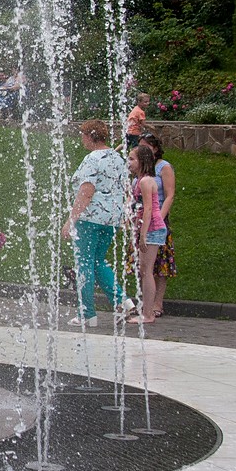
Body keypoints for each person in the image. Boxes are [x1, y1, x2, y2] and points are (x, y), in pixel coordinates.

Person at [61, 119, 135, 326]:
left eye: (82, 134)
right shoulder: (118, 159)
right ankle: (122, 301)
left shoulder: (92, 159)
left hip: (90, 218)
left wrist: (71, 220)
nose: (81, 138)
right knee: (97, 261)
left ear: (90, 136)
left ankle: (87, 314)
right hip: (111, 219)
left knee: (84, 263)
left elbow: (86, 191)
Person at [138, 132, 177, 316]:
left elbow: (169, 194)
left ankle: (157, 303)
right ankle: (144, 302)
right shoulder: (141, 168)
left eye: (145, 146)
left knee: (160, 262)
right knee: (143, 264)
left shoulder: (163, 167)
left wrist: (159, 218)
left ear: (155, 148)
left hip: (157, 218)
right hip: (143, 220)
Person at [125, 144, 165, 324]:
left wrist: (143, 235)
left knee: (146, 271)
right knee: (143, 270)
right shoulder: (139, 180)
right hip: (147, 228)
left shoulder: (146, 181)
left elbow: (148, 209)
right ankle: (145, 311)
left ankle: (148, 314)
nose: (129, 162)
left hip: (152, 229)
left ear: (142, 161)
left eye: (132, 159)